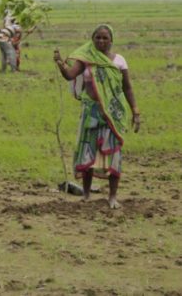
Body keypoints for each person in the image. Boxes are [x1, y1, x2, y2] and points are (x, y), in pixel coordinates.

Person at [53, 24, 140, 209]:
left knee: (114, 154)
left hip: (113, 114)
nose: (101, 41)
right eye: (97, 38)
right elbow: (69, 75)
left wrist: (135, 111)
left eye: (105, 38)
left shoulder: (119, 61)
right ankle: (85, 195)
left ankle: (112, 197)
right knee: (87, 152)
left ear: (111, 40)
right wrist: (61, 63)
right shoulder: (86, 59)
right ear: (92, 40)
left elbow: (127, 87)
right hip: (91, 112)